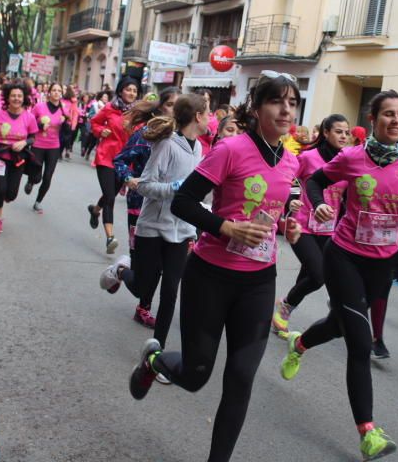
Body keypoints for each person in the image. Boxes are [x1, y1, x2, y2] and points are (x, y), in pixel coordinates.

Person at [128, 72, 302, 462]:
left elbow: (279, 209)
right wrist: (226, 228)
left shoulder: (291, 161)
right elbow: (183, 202)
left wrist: (291, 222)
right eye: (277, 100)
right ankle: (154, 360)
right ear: (257, 109)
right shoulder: (231, 150)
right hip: (210, 276)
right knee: (195, 375)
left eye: (292, 102)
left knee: (241, 378)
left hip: (258, 282)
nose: (286, 109)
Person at [279, 89, 398, 460]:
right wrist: (318, 205)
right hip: (345, 255)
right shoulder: (352, 157)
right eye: (388, 114)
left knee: (339, 324)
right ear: (374, 120)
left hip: (384, 262)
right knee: (360, 342)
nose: (396, 121)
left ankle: (299, 344)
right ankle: (368, 432)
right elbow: (315, 181)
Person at [108, 94, 205, 359]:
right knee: (142, 288)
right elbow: (146, 185)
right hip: (153, 226)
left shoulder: (199, 149)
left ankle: (156, 352)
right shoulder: (166, 145)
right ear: (197, 116)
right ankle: (121, 269)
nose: (211, 118)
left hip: (181, 230)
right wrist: (175, 189)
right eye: (207, 113)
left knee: (171, 291)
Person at [104, 86, 181, 329]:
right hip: (141, 206)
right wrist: (129, 179)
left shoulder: (183, 138)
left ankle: (143, 309)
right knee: (141, 275)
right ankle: (121, 270)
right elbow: (120, 161)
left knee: (160, 266)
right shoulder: (147, 133)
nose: (174, 110)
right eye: (170, 105)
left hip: (171, 210)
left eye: (179, 106)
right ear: (160, 108)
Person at [272, 114, 349, 338]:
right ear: (326, 133)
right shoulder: (308, 157)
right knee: (318, 274)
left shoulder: (347, 161)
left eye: (347, 132)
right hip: (301, 223)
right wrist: (290, 199)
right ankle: (285, 305)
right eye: (338, 131)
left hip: (328, 228)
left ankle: (283, 314)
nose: (343, 136)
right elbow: (285, 179)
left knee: (308, 274)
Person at [0, 82, 39, 233]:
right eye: (13, 96)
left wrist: (24, 142)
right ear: (8, 97)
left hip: (18, 157)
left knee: (11, 193)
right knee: (0, 189)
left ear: (24, 98)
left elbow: (33, 138)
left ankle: (7, 196)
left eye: (19, 96)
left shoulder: (29, 117)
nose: (16, 99)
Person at [87, 77, 140, 253]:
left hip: (124, 162)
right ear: (120, 91)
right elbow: (94, 122)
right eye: (128, 89)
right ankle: (110, 237)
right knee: (110, 196)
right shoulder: (110, 108)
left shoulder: (138, 114)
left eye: (134, 90)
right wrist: (102, 131)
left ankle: (95, 210)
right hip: (106, 157)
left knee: (110, 194)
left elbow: (142, 134)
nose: (131, 93)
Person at [22, 82, 66, 214]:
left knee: (48, 177)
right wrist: (40, 127)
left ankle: (38, 202)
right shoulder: (40, 107)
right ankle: (31, 181)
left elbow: (68, 131)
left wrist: (65, 124)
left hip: (54, 146)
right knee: (37, 176)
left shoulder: (63, 110)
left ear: (61, 94)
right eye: (54, 90)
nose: (56, 92)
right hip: (38, 144)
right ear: (49, 92)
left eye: (59, 90)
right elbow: (29, 122)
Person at [61, 86, 79, 159]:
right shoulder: (61, 100)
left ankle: (64, 151)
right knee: (65, 138)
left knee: (65, 138)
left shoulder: (73, 101)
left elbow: (75, 113)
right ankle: (64, 151)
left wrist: (73, 124)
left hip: (67, 121)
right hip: (63, 121)